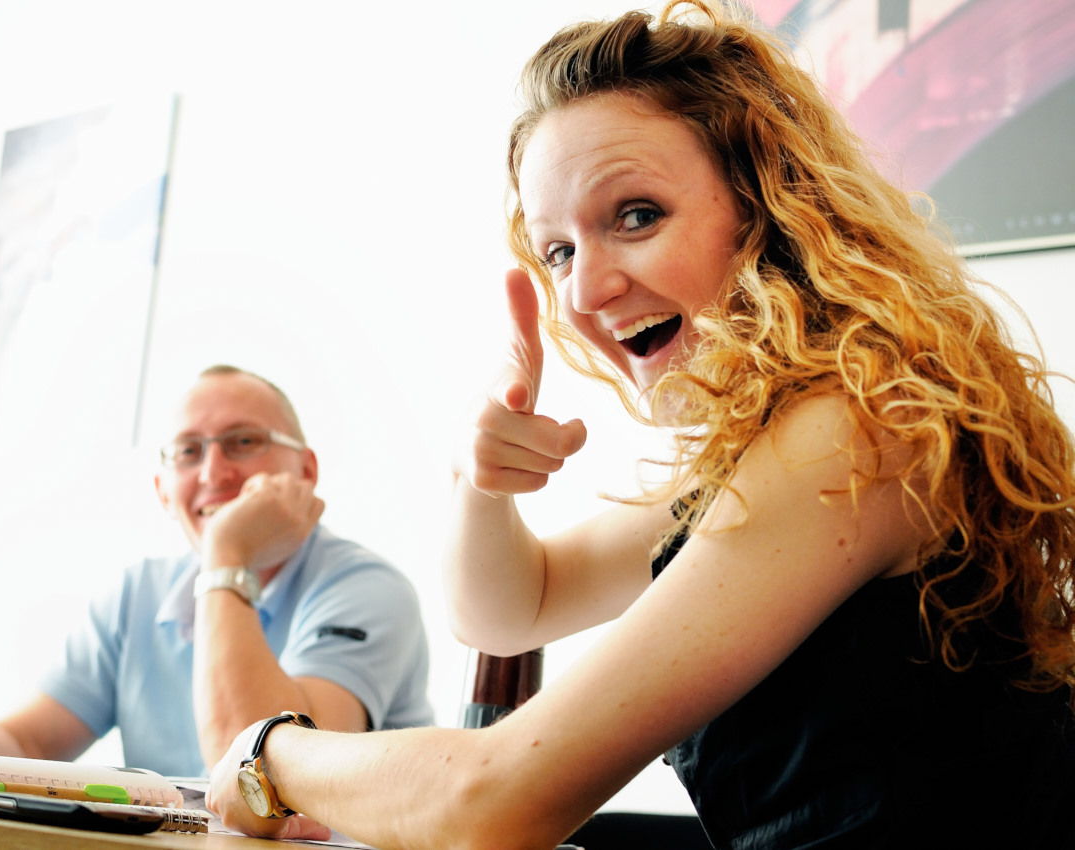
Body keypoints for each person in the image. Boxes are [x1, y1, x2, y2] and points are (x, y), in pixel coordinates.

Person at [204, 3, 1075, 848]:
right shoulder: (795, 433)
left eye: (636, 216)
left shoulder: (856, 429)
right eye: (559, 250)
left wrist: (265, 754)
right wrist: (481, 484)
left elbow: (490, 802)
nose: (585, 291)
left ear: (769, 207)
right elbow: (510, 610)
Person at [0, 364, 433, 777]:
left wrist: (226, 555)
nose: (213, 472)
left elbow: (267, 776)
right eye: (188, 451)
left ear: (306, 471)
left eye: (244, 441)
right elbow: (30, 742)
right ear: (162, 490)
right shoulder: (137, 594)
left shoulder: (367, 590)